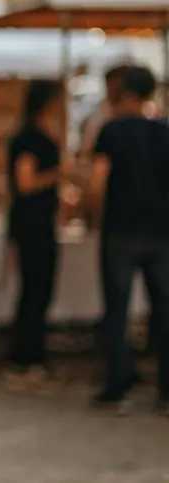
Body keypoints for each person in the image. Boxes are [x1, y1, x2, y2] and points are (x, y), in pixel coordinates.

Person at [85, 65, 169, 413]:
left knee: (117, 311)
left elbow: (97, 182)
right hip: (161, 233)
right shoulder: (165, 132)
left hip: (121, 230)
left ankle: (117, 387)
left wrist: (92, 216)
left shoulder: (112, 131)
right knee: (164, 311)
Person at [4, 81, 69, 391]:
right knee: (35, 290)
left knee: (37, 290)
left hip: (35, 222)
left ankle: (30, 356)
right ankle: (26, 358)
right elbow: (26, 182)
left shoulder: (32, 135)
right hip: (32, 224)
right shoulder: (31, 139)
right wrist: (61, 173)